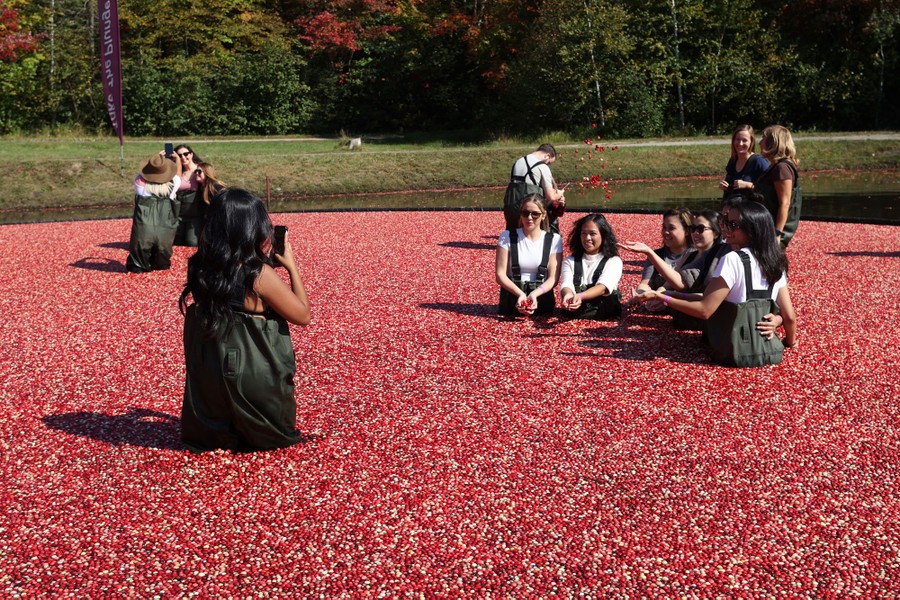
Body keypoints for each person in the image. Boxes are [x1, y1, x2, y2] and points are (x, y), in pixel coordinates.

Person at [179, 188, 311, 453]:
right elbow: (302, 315)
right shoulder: (258, 275)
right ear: (251, 227)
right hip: (253, 378)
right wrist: (292, 266)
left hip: (213, 382)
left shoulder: (201, 267)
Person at [630, 201, 797, 349]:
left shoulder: (732, 258)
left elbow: (704, 310)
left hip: (731, 347)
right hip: (765, 348)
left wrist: (663, 299)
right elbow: (789, 317)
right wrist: (789, 342)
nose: (725, 228)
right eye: (724, 222)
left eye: (732, 224)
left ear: (751, 229)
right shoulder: (776, 261)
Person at [496, 194, 563, 316]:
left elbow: (553, 278)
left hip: (542, 298)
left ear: (543, 215)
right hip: (512, 298)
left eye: (535, 214)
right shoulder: (506, 236)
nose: (529, 218)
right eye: (525, 213)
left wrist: (534, 294)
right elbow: (500, 275)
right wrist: (520, 294)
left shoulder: (554, 239)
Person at [620, 207, 695, 312]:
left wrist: (662, 298)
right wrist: (641, 295)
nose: (666, 232)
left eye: (671, 228)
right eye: (664, 227)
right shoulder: (657, 255)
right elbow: (645, 284)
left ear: (686, 231)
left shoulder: (695, 255)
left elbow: (684, 288)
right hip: (655, 306)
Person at [126, 151, 183, 273]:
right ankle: (159, 264)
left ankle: (139, 267)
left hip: (144, 227)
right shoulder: (174, 185)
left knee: (138, 257)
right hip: (165, 227)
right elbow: (178, 174)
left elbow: (141, 174)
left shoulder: (139, 185)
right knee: (162, 254)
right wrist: (177, 159)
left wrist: (155, 160)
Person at [558, 213, 623, 319]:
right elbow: (566, 284)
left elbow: (603, 287)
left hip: (604, 317)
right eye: (583, 233)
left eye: (592, 234)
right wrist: (568, 295)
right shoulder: (569, 261)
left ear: (603, 235)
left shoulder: (614, 261)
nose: (587, 238)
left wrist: (580, 296)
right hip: (574, 316)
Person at [503, 143, 566, 235]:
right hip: (529, 205)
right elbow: (550, 196)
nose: (548, 165)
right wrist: (560, 193)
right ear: (547, 156)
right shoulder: (542, 167)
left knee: (514, 235)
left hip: (511, 205)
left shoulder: (518, 162)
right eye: (549, 162)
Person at [755, 125, 801, 248]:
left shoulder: (782, 168)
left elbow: (785, 204)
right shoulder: (776, 166)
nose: (759, 142)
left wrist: (777, 234)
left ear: (773, 142)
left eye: (763, 139)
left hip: (773, 231)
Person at [718, 124, 769, 195]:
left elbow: (770, 189)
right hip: (732, 204)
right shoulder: (733, 160)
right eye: (737, 139)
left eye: (744, 140)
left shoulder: (759, 161)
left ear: (751, 142)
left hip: (752, 205)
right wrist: (724, 186)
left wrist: (748, 185)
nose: (740, 143)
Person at [172, 144, 204, 247]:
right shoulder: (175, 172)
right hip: (177, 215)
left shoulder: (200, 170)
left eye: (186, 154)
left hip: (195, 216)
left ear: (191, 154)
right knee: (176, 243)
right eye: (179, 155)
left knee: (192, 243)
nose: (183, 157)